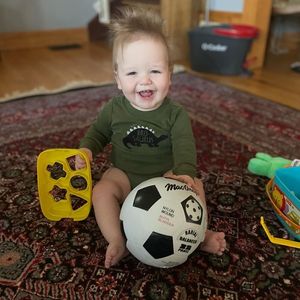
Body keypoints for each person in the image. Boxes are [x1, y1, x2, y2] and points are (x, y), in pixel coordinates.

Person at [76, 6, 226, 268]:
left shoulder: (175, 114)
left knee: (195, 188)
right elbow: (97, 133)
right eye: (132, 73)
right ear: (118, 79)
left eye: (155, 71)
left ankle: (197, 236)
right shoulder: (113, 109)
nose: (144, 80)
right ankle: (116, 240)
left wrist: (184, 173)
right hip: (124, 173)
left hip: (165, 175)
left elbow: (184, 146)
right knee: (100, 191)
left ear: (170, 74)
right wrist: (86, 150)